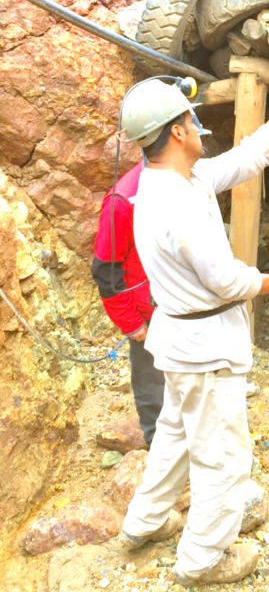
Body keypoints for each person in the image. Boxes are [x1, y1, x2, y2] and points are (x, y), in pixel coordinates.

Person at [117, 57, 269, 586]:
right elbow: (226, 281)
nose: (199, 129)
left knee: (175, 438)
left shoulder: (174, 180)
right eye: (192, 121)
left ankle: (143, 524)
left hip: (182, 344)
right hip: (204, 348)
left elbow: (250, 157)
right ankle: (202, 559)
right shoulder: (177, 204)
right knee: (225, 460)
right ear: (179, 131)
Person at [92, 161, 164, 448]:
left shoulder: (190, 180)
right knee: (153, 387)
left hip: (184, 310)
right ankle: (161, 452)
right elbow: (106, 271)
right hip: (149, 317)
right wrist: (132, 323)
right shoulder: (123, 200)